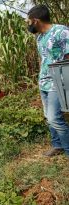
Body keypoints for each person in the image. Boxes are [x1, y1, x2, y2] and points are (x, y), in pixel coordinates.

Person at [27, 5, 69, 157]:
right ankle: (57, 145)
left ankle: (67, 149)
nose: (29, 25)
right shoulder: (40, 38)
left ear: (36, 21)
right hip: (43, 82)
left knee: (54, 118)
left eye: (29, 21)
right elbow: (44, 59)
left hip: (58, 80)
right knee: (48, 117)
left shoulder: (61, 31)